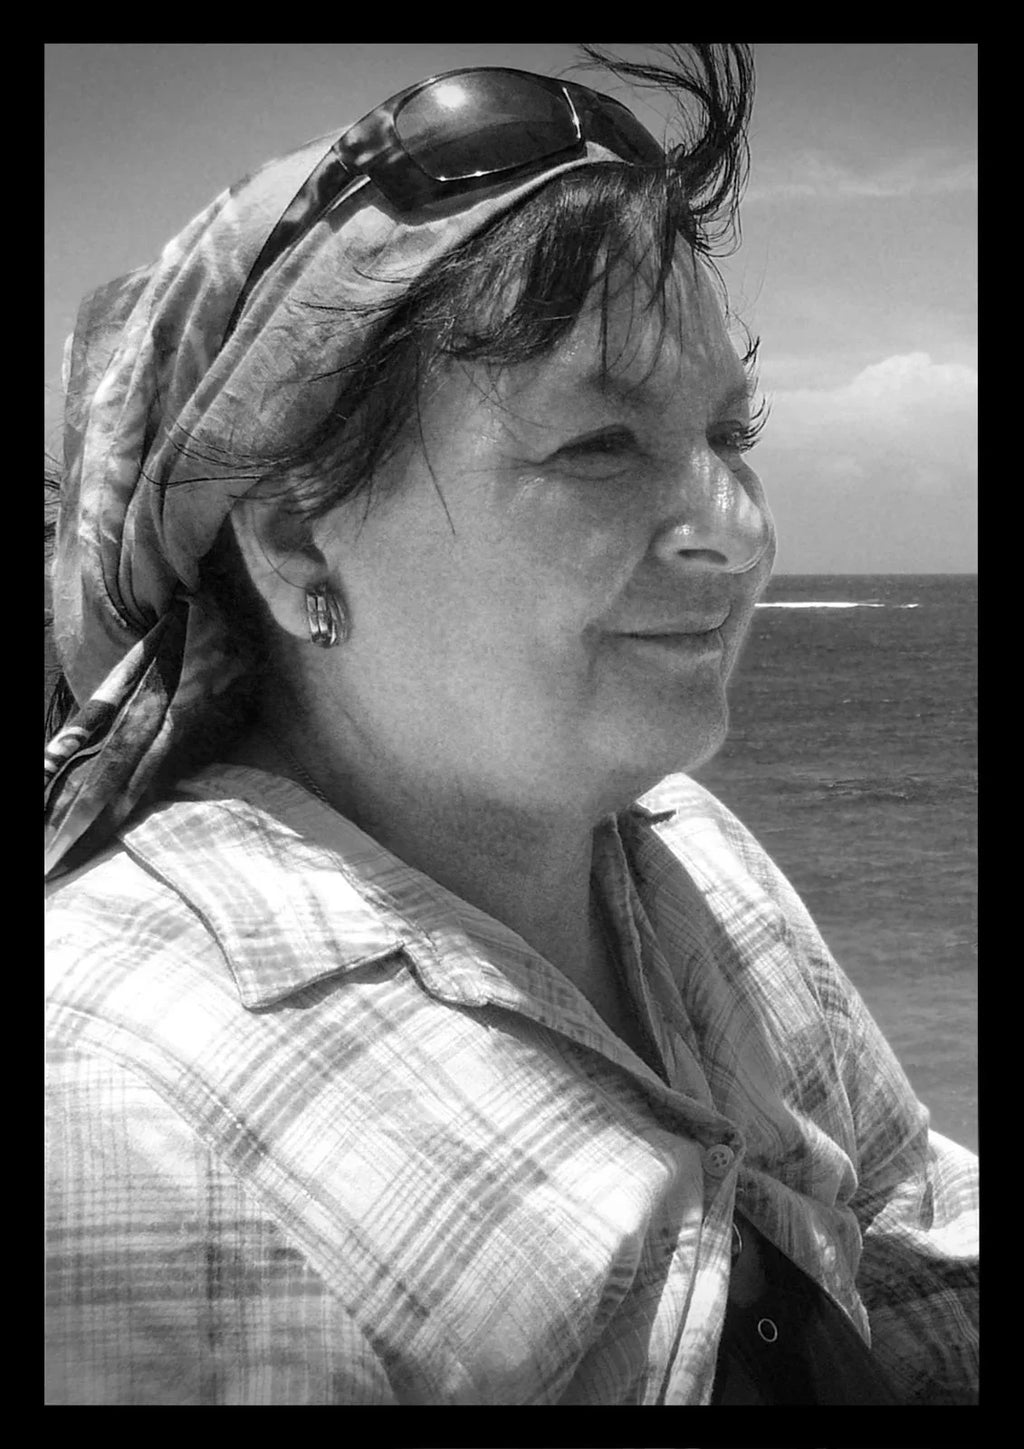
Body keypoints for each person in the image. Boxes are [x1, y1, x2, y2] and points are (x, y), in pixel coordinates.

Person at [44, 45, 978, 1405]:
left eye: (733, 431)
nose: (738, 533)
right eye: (597, 447)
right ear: (300, 538)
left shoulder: (683, 854)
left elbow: (913, 1236)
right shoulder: (119, 1101)